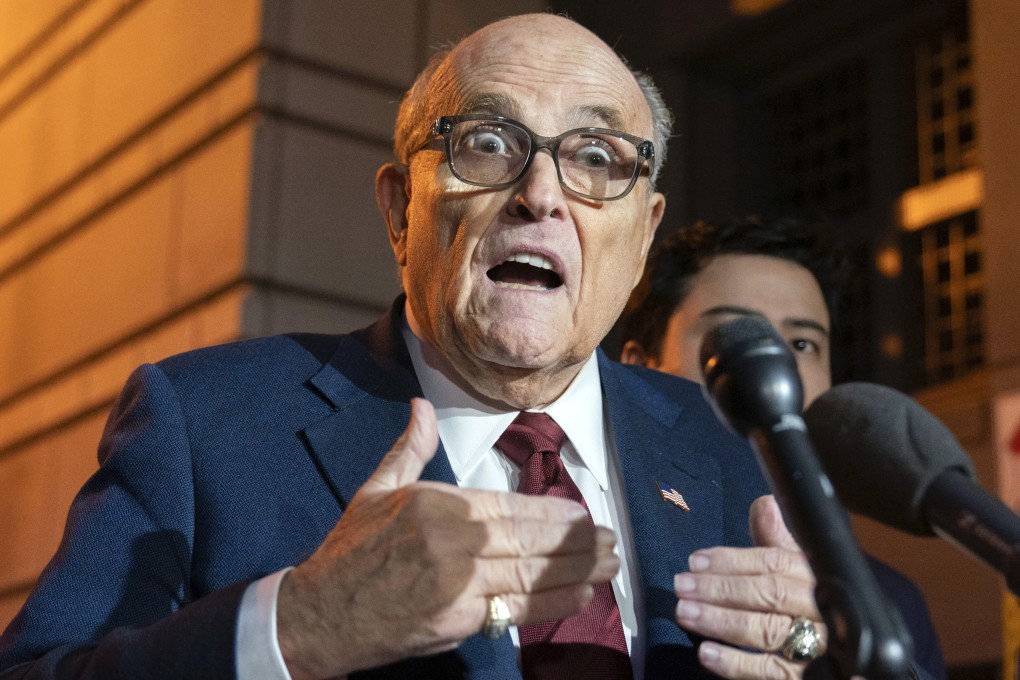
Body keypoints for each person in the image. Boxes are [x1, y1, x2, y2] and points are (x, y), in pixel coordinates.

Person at [0, 15, 917, 680]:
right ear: (401, 209)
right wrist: (295, 628)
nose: (542, 196)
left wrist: (825, 656)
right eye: (488, 142)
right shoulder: (203, 424)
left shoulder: (729, 446)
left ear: (642, 237)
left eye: (596, 158)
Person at [618, 215, 948, 679]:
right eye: (731, 336)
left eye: (801, 342)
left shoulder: (889, 603)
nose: (770, 364)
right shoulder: (600, 530)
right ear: (638, 365)